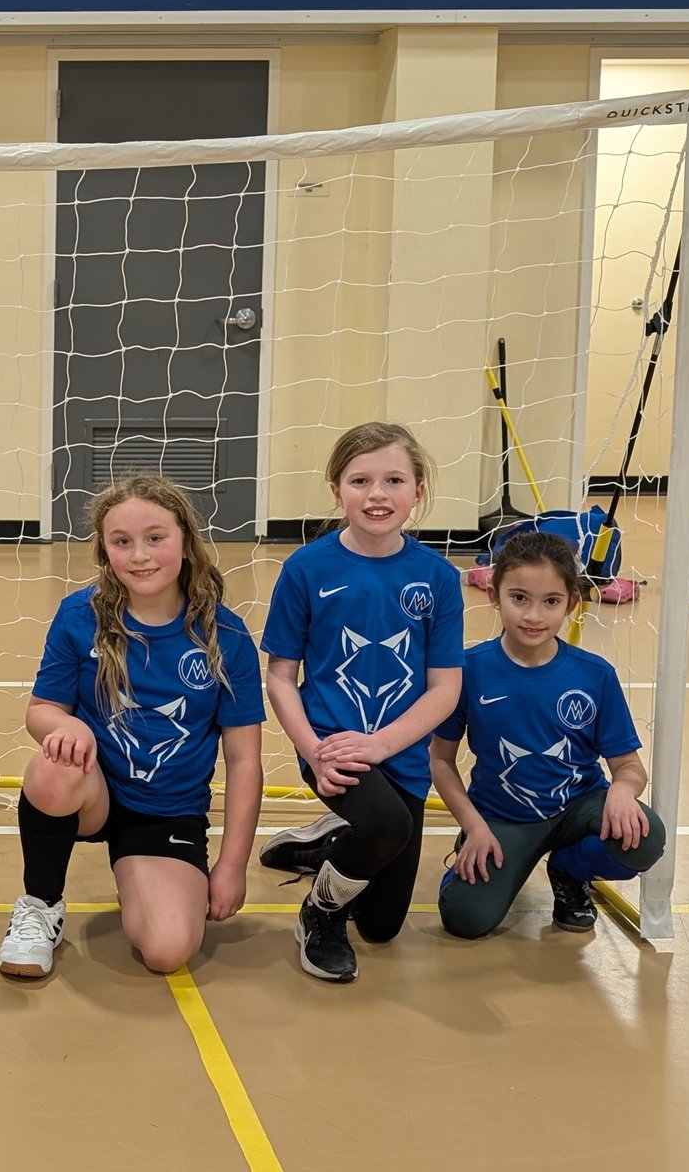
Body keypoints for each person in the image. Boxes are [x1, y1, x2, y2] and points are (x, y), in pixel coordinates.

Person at [0, 476, 264, 979]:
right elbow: (41, 709)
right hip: (94, 791)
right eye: (122, 542)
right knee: (53, 767)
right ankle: (41, 907)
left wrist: (231, 866)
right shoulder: (81, 616)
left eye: (155, 537)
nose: (139, 555)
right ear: (105, 551)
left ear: (185, 541)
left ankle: (140, 875)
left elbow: (245, 760)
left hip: (167, 812)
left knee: (167, 951)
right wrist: (63, 726)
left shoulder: (224, 635)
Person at [258, 422, 462, 984]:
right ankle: (319, 912)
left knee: (381, 927)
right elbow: (279, 677)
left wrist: (383, 744)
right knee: (385, 825)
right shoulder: (306, 569)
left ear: (418, 490)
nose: (377, 494)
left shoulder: (437, 578)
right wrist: (316, 752)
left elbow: (445, 688)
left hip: (397, 751)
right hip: (331, 744)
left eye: (394, 479)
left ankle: (328, 845)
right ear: (336, 490)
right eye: (360, 480)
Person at [431, 529, 665, 939]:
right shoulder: (468, 669)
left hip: (578, 809)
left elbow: (628, 766)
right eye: (519, 598)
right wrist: (474, 824)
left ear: (571, 604)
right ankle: (470, 858)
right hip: (502, 817)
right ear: (494, 595)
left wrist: (623, 792)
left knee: (645, 837)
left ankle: (569, 870)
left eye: (550, 602)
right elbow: (440, 760)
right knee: (465, 920)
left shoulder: (594, 675)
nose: (533, 616)